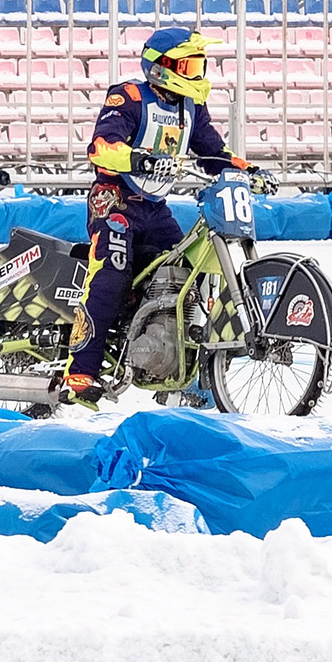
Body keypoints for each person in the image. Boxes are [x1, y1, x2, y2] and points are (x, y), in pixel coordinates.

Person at [66, 27, 265, 408]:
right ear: (160, 67)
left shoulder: (191, 109)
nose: (196, 74)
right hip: (114, 203)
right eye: (188, 66)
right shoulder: (129, 96)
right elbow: (101, 146)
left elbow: (214, 153)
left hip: (155, 210)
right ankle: (81, 371)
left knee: (188, 275)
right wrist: (135, 158)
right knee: (110, 275)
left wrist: (248, 170)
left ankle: (180, 369)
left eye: (198, 66)